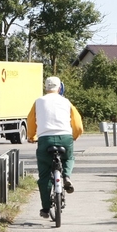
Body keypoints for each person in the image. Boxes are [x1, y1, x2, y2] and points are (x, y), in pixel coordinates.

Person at [26, 76, 83, 219]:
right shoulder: (66, 102)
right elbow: (77, 124)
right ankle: (67, 176)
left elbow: (31, 121)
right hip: (65, 138)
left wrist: (32, 137)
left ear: (46, 88)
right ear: (59, 88)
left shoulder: (38, 102)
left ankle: (45, 209)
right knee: (69, 157)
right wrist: (74, 136)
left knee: (44, 175)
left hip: (45, 140)